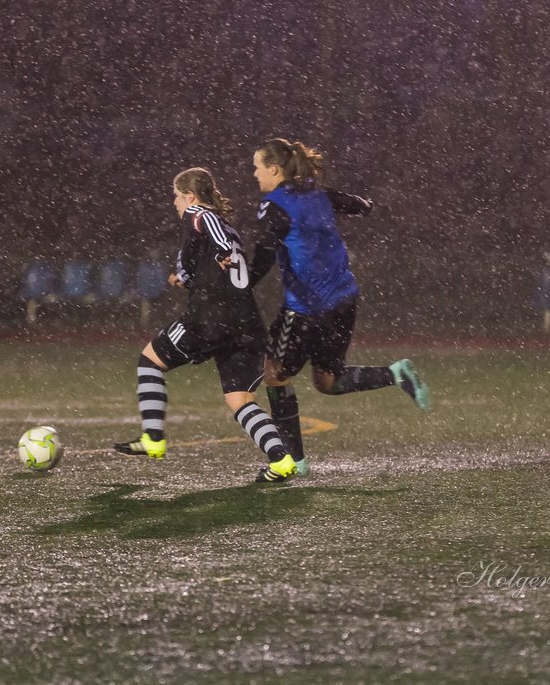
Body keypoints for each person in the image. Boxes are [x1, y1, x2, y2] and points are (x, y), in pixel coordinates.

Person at [249, 138, 429, 476]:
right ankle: (395, 373)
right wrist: (367, 204)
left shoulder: (273, 205)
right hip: (344, 301)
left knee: (274, 376)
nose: (255, 174)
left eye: (257, 167)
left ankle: (294, 461)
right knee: (327, 381)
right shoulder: (321, 195)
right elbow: (361, 205)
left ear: (273, 169)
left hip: (305, 308)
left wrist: (241, 286)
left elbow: (263, 255)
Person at [113, 167, 298, 484]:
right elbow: (207, 261)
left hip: (211, 318)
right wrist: (183, 277)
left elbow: (208, 224)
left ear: (190, 195)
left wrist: (222, 248)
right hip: (247, 322)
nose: (175, 203)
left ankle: (153, 438)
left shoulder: (200, 214)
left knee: (149, 361)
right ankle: (281, 460)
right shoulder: (228, 226)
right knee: (240, 400)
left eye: (176, 196)